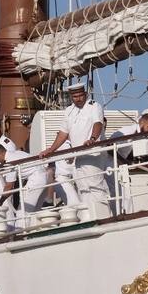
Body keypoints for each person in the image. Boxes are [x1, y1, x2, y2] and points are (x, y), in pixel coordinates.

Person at [39, 81, 108, 215]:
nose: (78, 99)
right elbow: (63, 133)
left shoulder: (94, 106)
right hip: (79, 156)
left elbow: (98, 123)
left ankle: (102, 215)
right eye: (75, 96)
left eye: (80, 95)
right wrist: (50, 150)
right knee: (83, 187)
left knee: (95, 185)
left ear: (85, 94)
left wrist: (93, 139)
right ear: (71, 97)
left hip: (93, 153)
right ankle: (88, 216)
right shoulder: (69, 111)